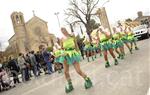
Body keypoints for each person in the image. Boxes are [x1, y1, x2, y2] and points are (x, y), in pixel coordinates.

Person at [60, 27, 93, 93]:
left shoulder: (72, 36)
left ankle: (88, 80)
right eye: (61, 30)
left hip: (73, 54)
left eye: (63, 29)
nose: (63, 31)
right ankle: (70, 85)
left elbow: (76, 46)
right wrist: (62, 53)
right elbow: (61, 48)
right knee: (66, 71)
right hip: (65, 55)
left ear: (66, 30)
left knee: (78, 70)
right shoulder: (61, 39)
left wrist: (79, 53)